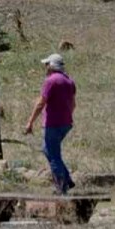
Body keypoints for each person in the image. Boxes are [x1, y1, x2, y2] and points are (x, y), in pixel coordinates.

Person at [25, 53, 77, 195]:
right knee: (49, 150)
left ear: (52, 66)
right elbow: (73, 104)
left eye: (47, 64)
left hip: (53, 123)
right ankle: (67, 179)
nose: (45, 67)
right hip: (66, 123)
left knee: (53, 155)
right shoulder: (69, 81)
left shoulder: (50, 81)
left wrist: (30, 121)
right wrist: (67, 116)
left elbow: (41, 102)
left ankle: (62, 187)